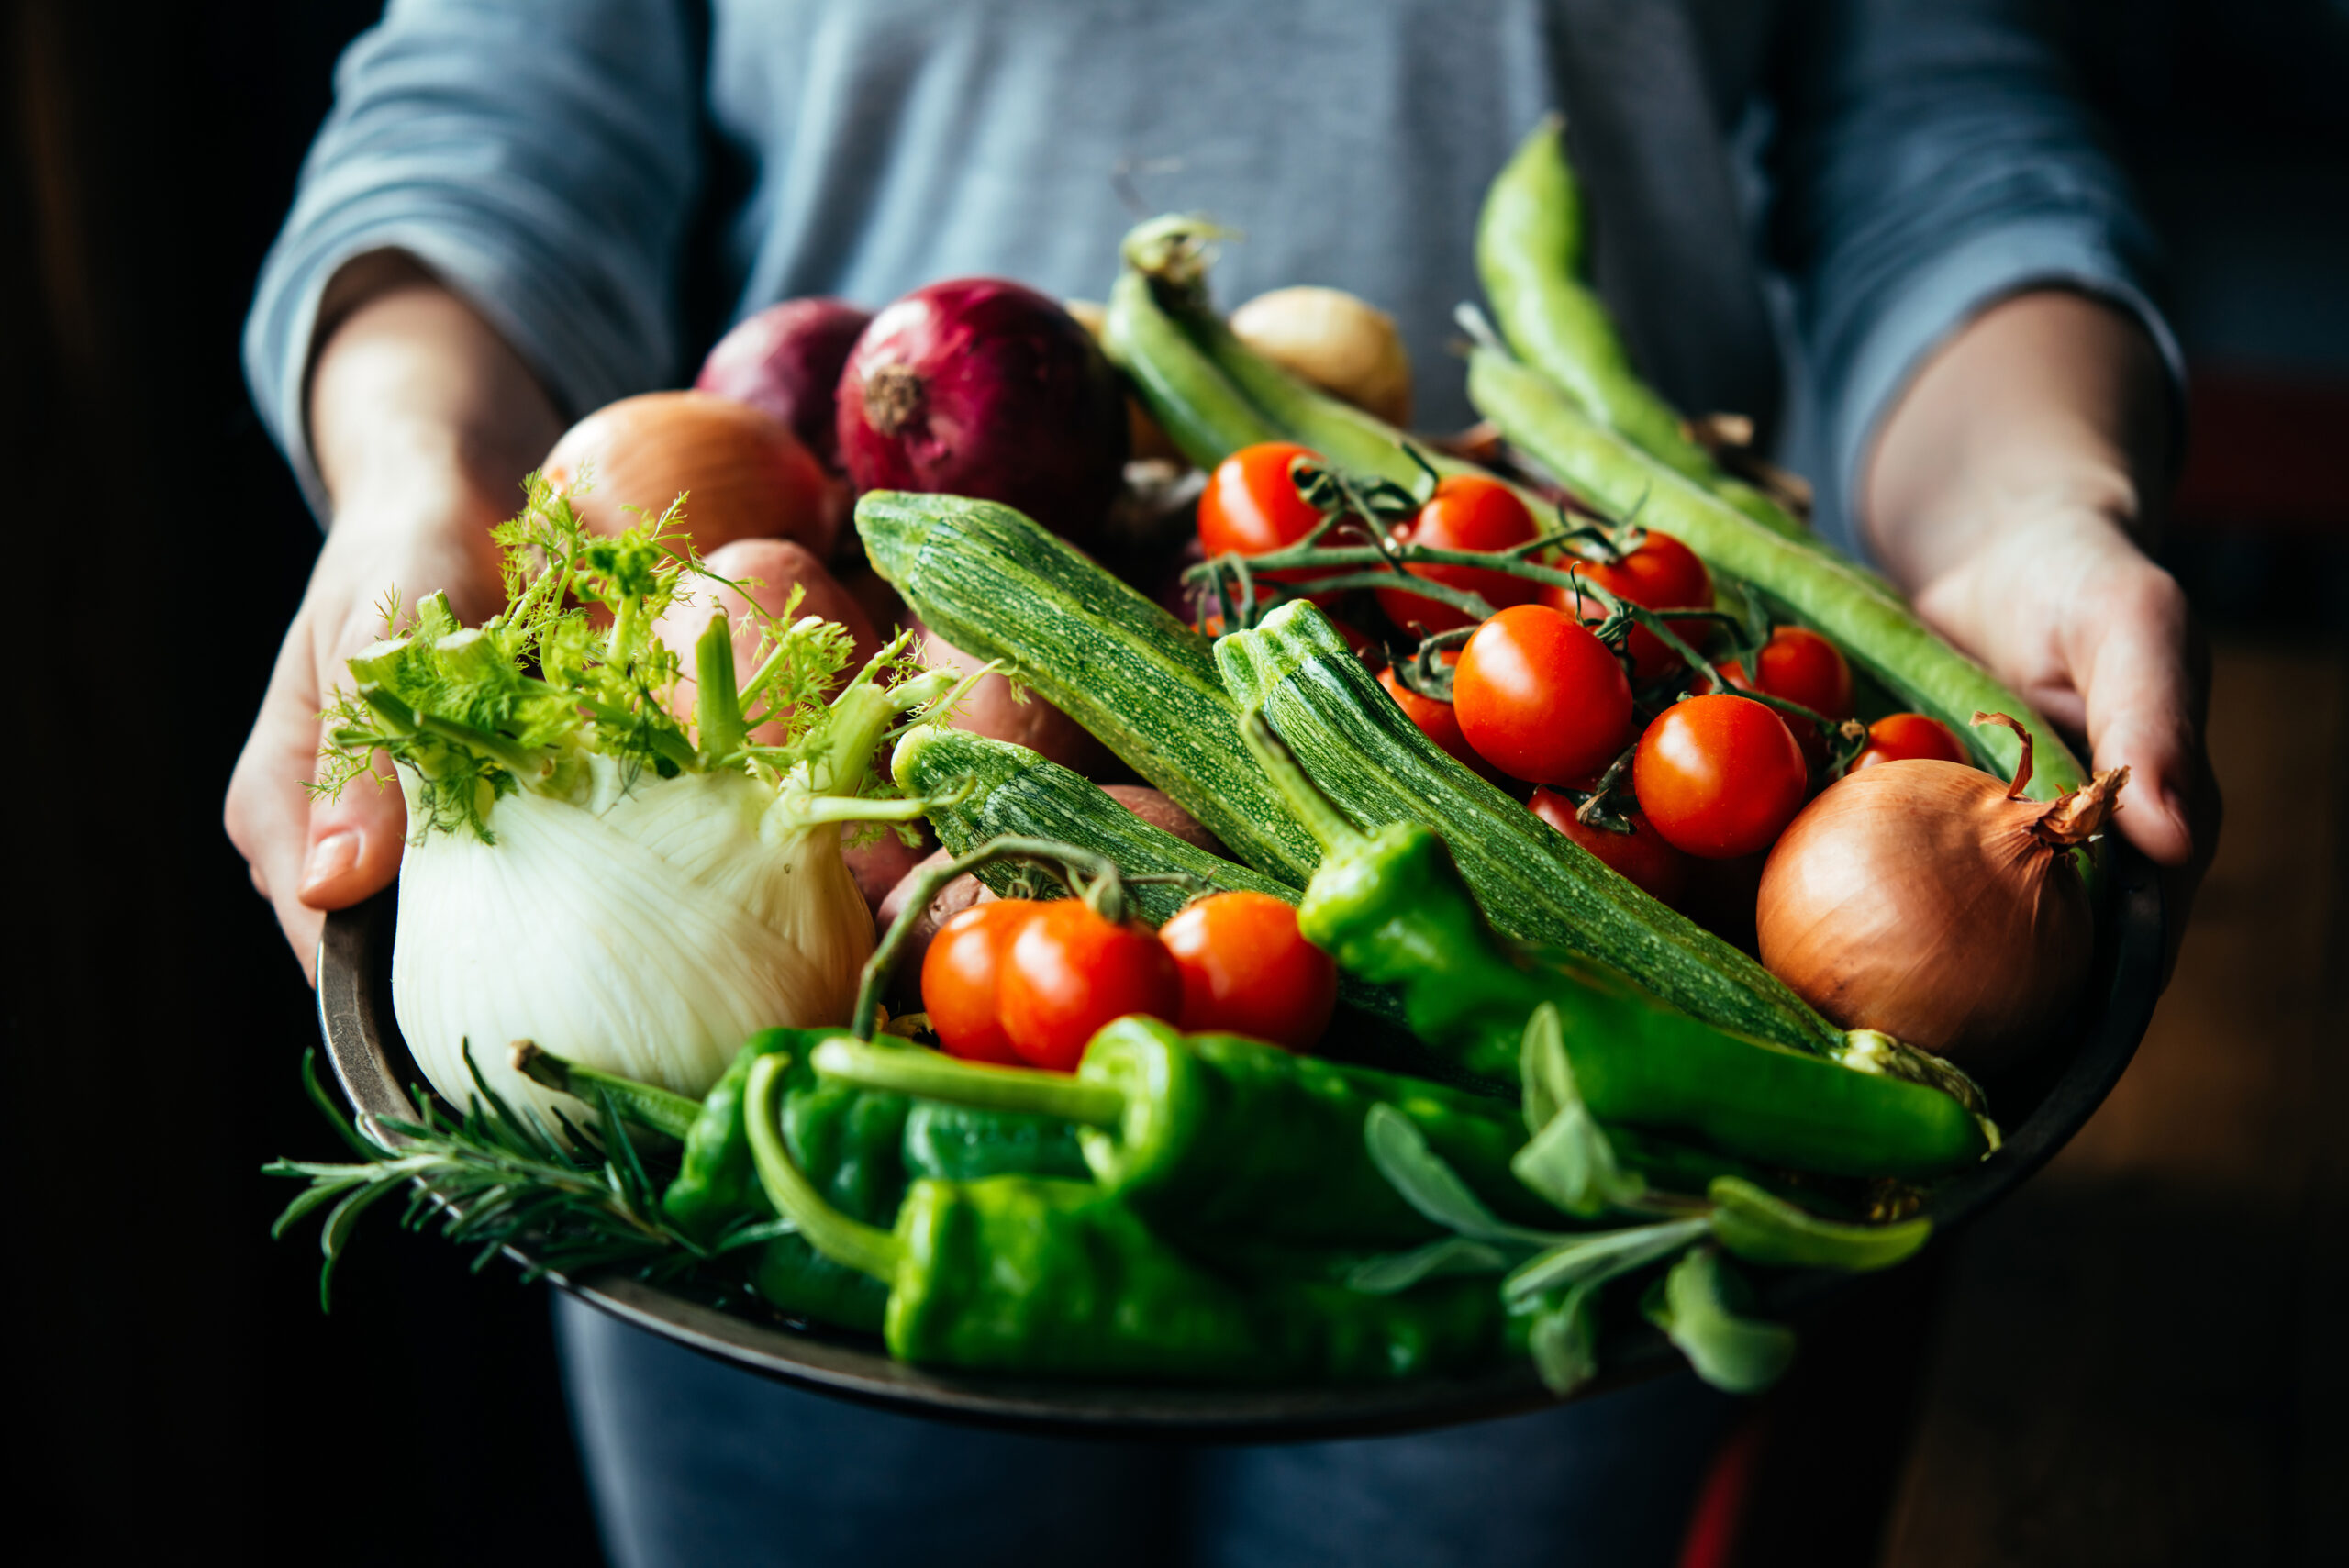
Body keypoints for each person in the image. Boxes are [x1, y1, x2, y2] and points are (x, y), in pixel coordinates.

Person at [227, 3, 2216, 1562]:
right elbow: (494, 106)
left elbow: (1934, 135)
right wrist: (418, 484)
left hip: (1594, 950)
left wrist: (2037, 502)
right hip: (796, 917)